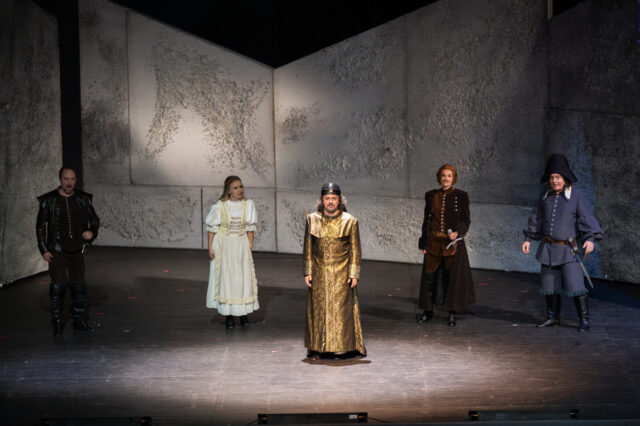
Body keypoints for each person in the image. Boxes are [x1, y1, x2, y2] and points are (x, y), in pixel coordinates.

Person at [522, 154, 603, 332]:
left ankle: (584, 320)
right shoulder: (545, 196)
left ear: (565, 178)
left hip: (568, 250)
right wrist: (528, 239)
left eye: (558, 177)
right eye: (552, 177)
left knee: (575, 285)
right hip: (548, 249)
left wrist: (590, 239)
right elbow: (536, 218)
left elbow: (586, 217)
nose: (554, 181)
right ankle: (552, 317)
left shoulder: (576, 195)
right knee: (549, 286)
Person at [303, 183, 366, 359]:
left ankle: (340, 348)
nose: (330, 201)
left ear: (339, 200)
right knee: (319, 310)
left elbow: (356, 250)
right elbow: (308, 248)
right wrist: (308, 271)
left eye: (334, 198)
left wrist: (354, 273)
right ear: (322, 200)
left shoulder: (350, 221)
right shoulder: (312, 219)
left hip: (341, 273)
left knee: (340, 311)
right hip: (319, 271)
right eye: (327, 198)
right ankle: (318, 347)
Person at [36, 166, 100, 336]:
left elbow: (94, 220)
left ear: (75, 180)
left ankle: (79, 320)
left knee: (78, 285)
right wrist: (43, 249)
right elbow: (40, 227)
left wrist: (91, 232)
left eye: (72, 179)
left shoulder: (83, 199)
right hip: (56, 249)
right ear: (60, 179)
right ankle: (57, 322)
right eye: (66, 179)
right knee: (58, 286)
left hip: (77, 248)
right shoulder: (49, 200)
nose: (69, 182)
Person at [417, 164, 475, 326]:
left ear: (454, 178)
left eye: (449, 176)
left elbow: (465, 220)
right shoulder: (431, 195)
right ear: (439, 177)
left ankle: (451, 313)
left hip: (451, 244)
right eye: (443, 175)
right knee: (429, 277)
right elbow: (426, 221)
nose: (446, 178)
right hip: (433, 242)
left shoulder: (461, 196)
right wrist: (423, 241)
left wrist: (457, 232)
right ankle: (427, 311)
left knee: (451, 278)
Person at [205, 176, 259, 329]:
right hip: (224, 245)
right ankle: (228, 315)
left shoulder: (248, 204)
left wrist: (249, 246)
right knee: (227, 279)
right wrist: (210, 247)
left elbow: (250, 228)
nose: (239, 190)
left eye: (241, 186)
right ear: (228, 190)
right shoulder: (220, 206)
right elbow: (212, 229)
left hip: (241, 244)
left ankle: (243, 314)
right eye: (235, 187)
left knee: (242, 278)